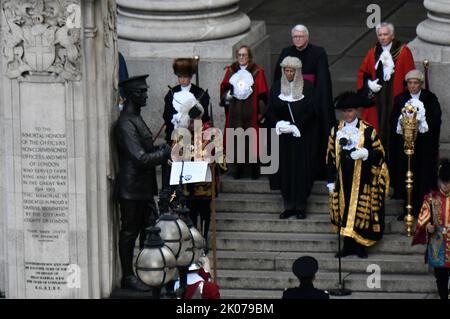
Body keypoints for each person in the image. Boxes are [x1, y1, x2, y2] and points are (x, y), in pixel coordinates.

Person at [114, 75, 172, 291]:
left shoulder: (137, 118)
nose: (146, 95)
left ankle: (149, 270)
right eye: (141, 92)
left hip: (145, 188)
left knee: (152, 230)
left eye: (145, 91)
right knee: (130, 232)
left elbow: (146, 152)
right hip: (132, 189)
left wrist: (160, 150)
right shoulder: (125, 122)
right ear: (130, 95)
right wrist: (162, 153)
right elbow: (139, 157)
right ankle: (128, 276)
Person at [326, 91, 389, 258]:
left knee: (360, 212)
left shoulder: (368, 131)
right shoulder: (335, 130)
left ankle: (361, 246)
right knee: (344, 210)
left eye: (350, 111)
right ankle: (347, 246)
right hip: (342, 179)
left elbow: (380, 153)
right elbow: (331, 157)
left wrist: (366, 153)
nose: (347, 114)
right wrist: (331, 180)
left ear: (357, 111)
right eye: (345, 111)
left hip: (362, 178)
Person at [273, 24, 335, 181]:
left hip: (310, 101)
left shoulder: (318, 53)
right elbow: (278, 79)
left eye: (300, 36)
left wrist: (316, 102)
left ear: (307, 37)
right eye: (295, 37)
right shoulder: (286, 52)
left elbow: (322, 81)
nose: (298, 39)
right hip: (290, 100)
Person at [267, 56, 315, 220]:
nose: (288, 74)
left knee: (300, 171)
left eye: (291, 71)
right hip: (283, 139)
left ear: (297, 72)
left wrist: (297, 126)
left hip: (300, 138)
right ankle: (288, 205)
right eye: (286, 71)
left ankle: (300, 205)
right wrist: (278, 123)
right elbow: (270, 110)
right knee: (285, 171)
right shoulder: (276, 88)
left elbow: (310, 111)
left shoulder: (307, 88)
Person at [389, 70, 442, 220]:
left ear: (421, 84)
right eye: (410, 83)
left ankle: (422, 209)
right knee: (407, 176)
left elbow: (436, 119)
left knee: (423, 176)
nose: (412, 86)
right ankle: (408, 209)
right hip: (405, 147)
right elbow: (392, 120)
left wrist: (420, 123)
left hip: (424, 147)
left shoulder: (430, 98)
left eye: (416, 83)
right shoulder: (400, 99)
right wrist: (403, 123)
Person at [357, 22, 415, 153]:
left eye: (386, 34)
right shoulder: (372, 53)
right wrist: (369, 85)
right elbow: (363, 73)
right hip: (377, 104)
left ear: (392, 35)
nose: (383, 37)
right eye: (380, 34)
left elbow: (411, 77)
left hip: (396, 101)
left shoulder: (403, 52)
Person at [220, 45, 269, 179]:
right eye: (239, 55)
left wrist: (261, 113)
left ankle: (253, 171)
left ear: (249, 56)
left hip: (251, 114)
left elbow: (262, 94)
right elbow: (224, 90)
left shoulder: (257, 72)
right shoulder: (231, 71)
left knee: (252, 140)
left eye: (244, 55)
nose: (241, 57)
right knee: (236, 140)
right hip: (235, 113)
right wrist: (227, 95)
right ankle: (237, 170)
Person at [412, 158, 450, 300]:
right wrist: (428, 227)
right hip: (438, 247)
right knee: (440, 279)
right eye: (444, 182)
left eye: (448, 182)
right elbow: (422, 221)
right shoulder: (430, 199)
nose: (445, 185)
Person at [163, 58, 210, 145]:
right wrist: (176, 118)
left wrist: (194, 123)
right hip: (175, 134)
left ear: (191, 76)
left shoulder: (200, 93)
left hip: (195, 135)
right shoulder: (172, 92)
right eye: (180, 76)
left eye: (185, 76)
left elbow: (205, 117)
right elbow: (166, 115)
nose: (182, 79)